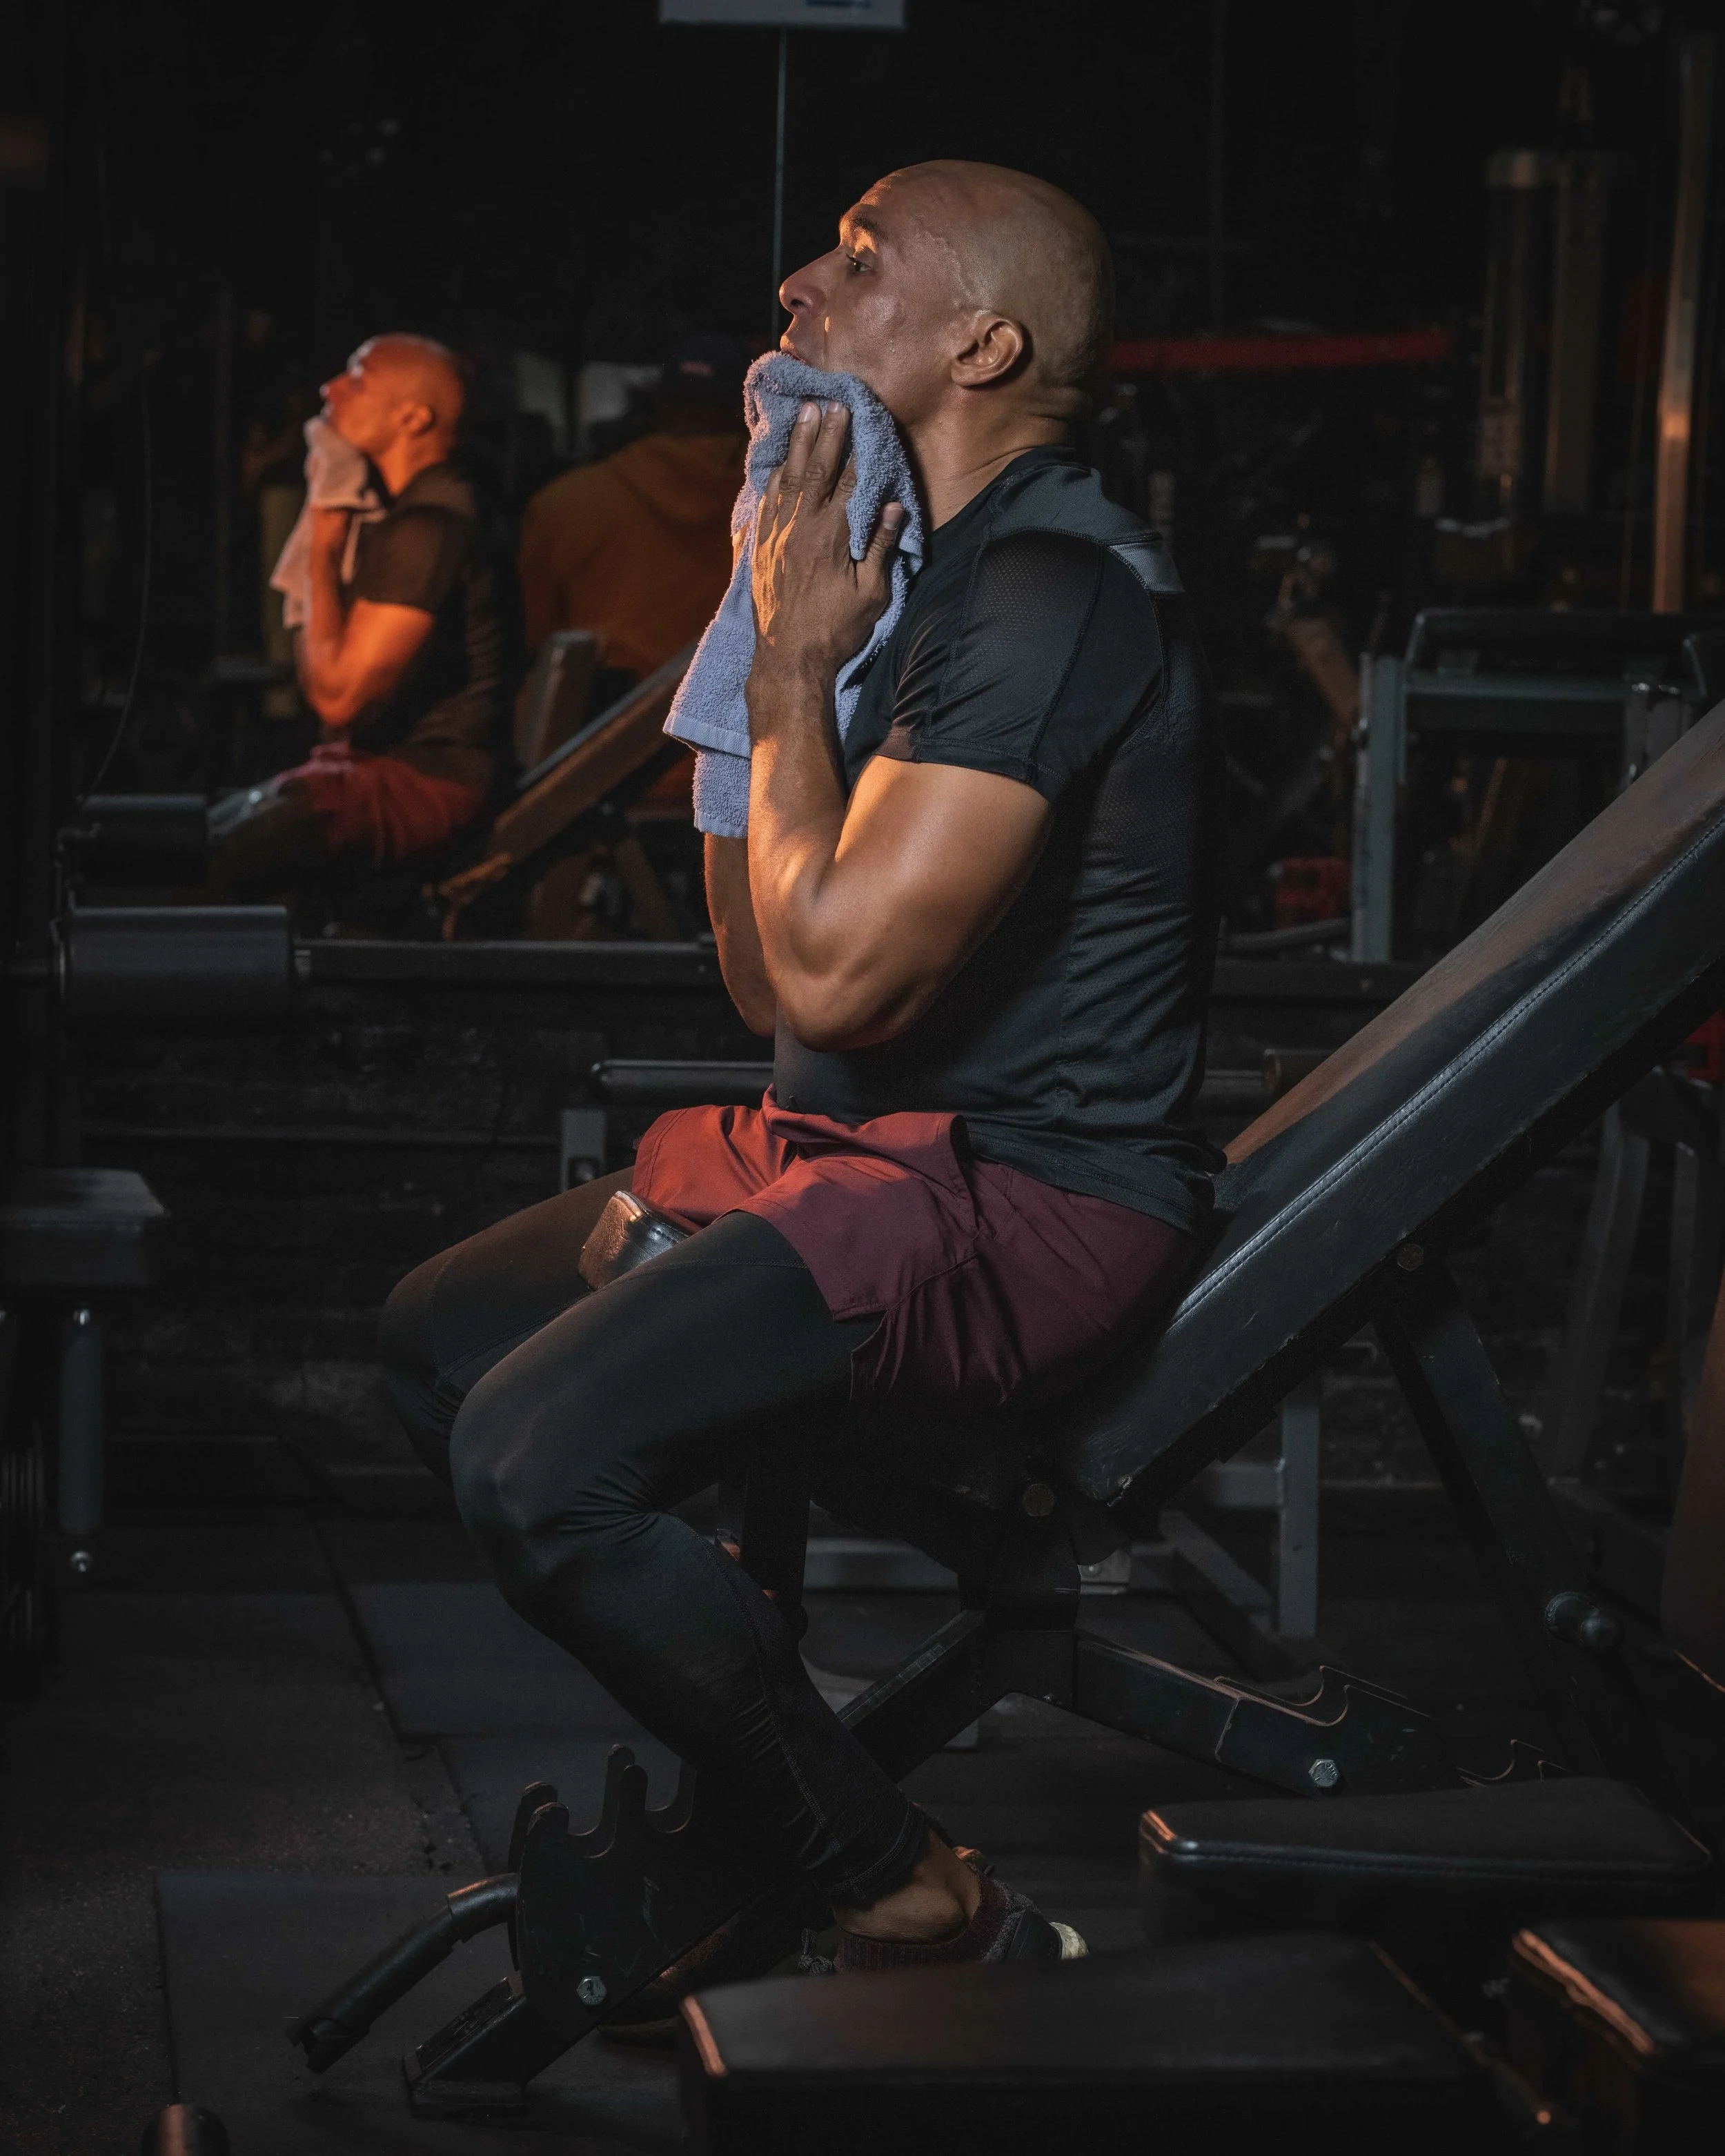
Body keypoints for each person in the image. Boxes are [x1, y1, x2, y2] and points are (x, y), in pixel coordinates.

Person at [380, 164, 1221, 1987]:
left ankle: (885, 1869)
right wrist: (761, 641)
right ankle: (778, 1787)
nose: (795, 287)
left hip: (1019, 1194)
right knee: (442, 1339)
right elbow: (772, 977)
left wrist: (791, 674)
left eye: (858, 260)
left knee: (537, 1460)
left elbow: (836, 960)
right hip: (860, 1146)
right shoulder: (913, 586)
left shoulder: (1046, 585)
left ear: (983, 341)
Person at [207, 334, 511, 899]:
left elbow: (338, 698)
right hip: (393, 769)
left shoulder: (430, 527)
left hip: (426, 783)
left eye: (358, 377)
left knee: (210, 865)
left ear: (413, 417)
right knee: (197, 837)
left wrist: (324, 539)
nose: (331, 389)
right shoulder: (416, 513)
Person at [518, 332, 748, 698]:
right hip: (732, 733)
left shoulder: (567, 501)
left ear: (656, 403)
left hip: (607, 732)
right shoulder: (782, 506)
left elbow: (538, 636)